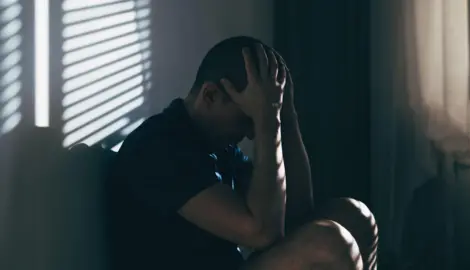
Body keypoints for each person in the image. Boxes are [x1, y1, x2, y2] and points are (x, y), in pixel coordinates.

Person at [107, 36, 378, 270]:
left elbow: (297, 212)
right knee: (329, 243)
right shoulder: (157, 148)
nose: (251, 133)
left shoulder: (218, 146)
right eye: (246, 119)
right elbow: (262, 232)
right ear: (210, 96)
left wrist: (286, 115)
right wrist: (267, 121)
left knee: (355, 215)